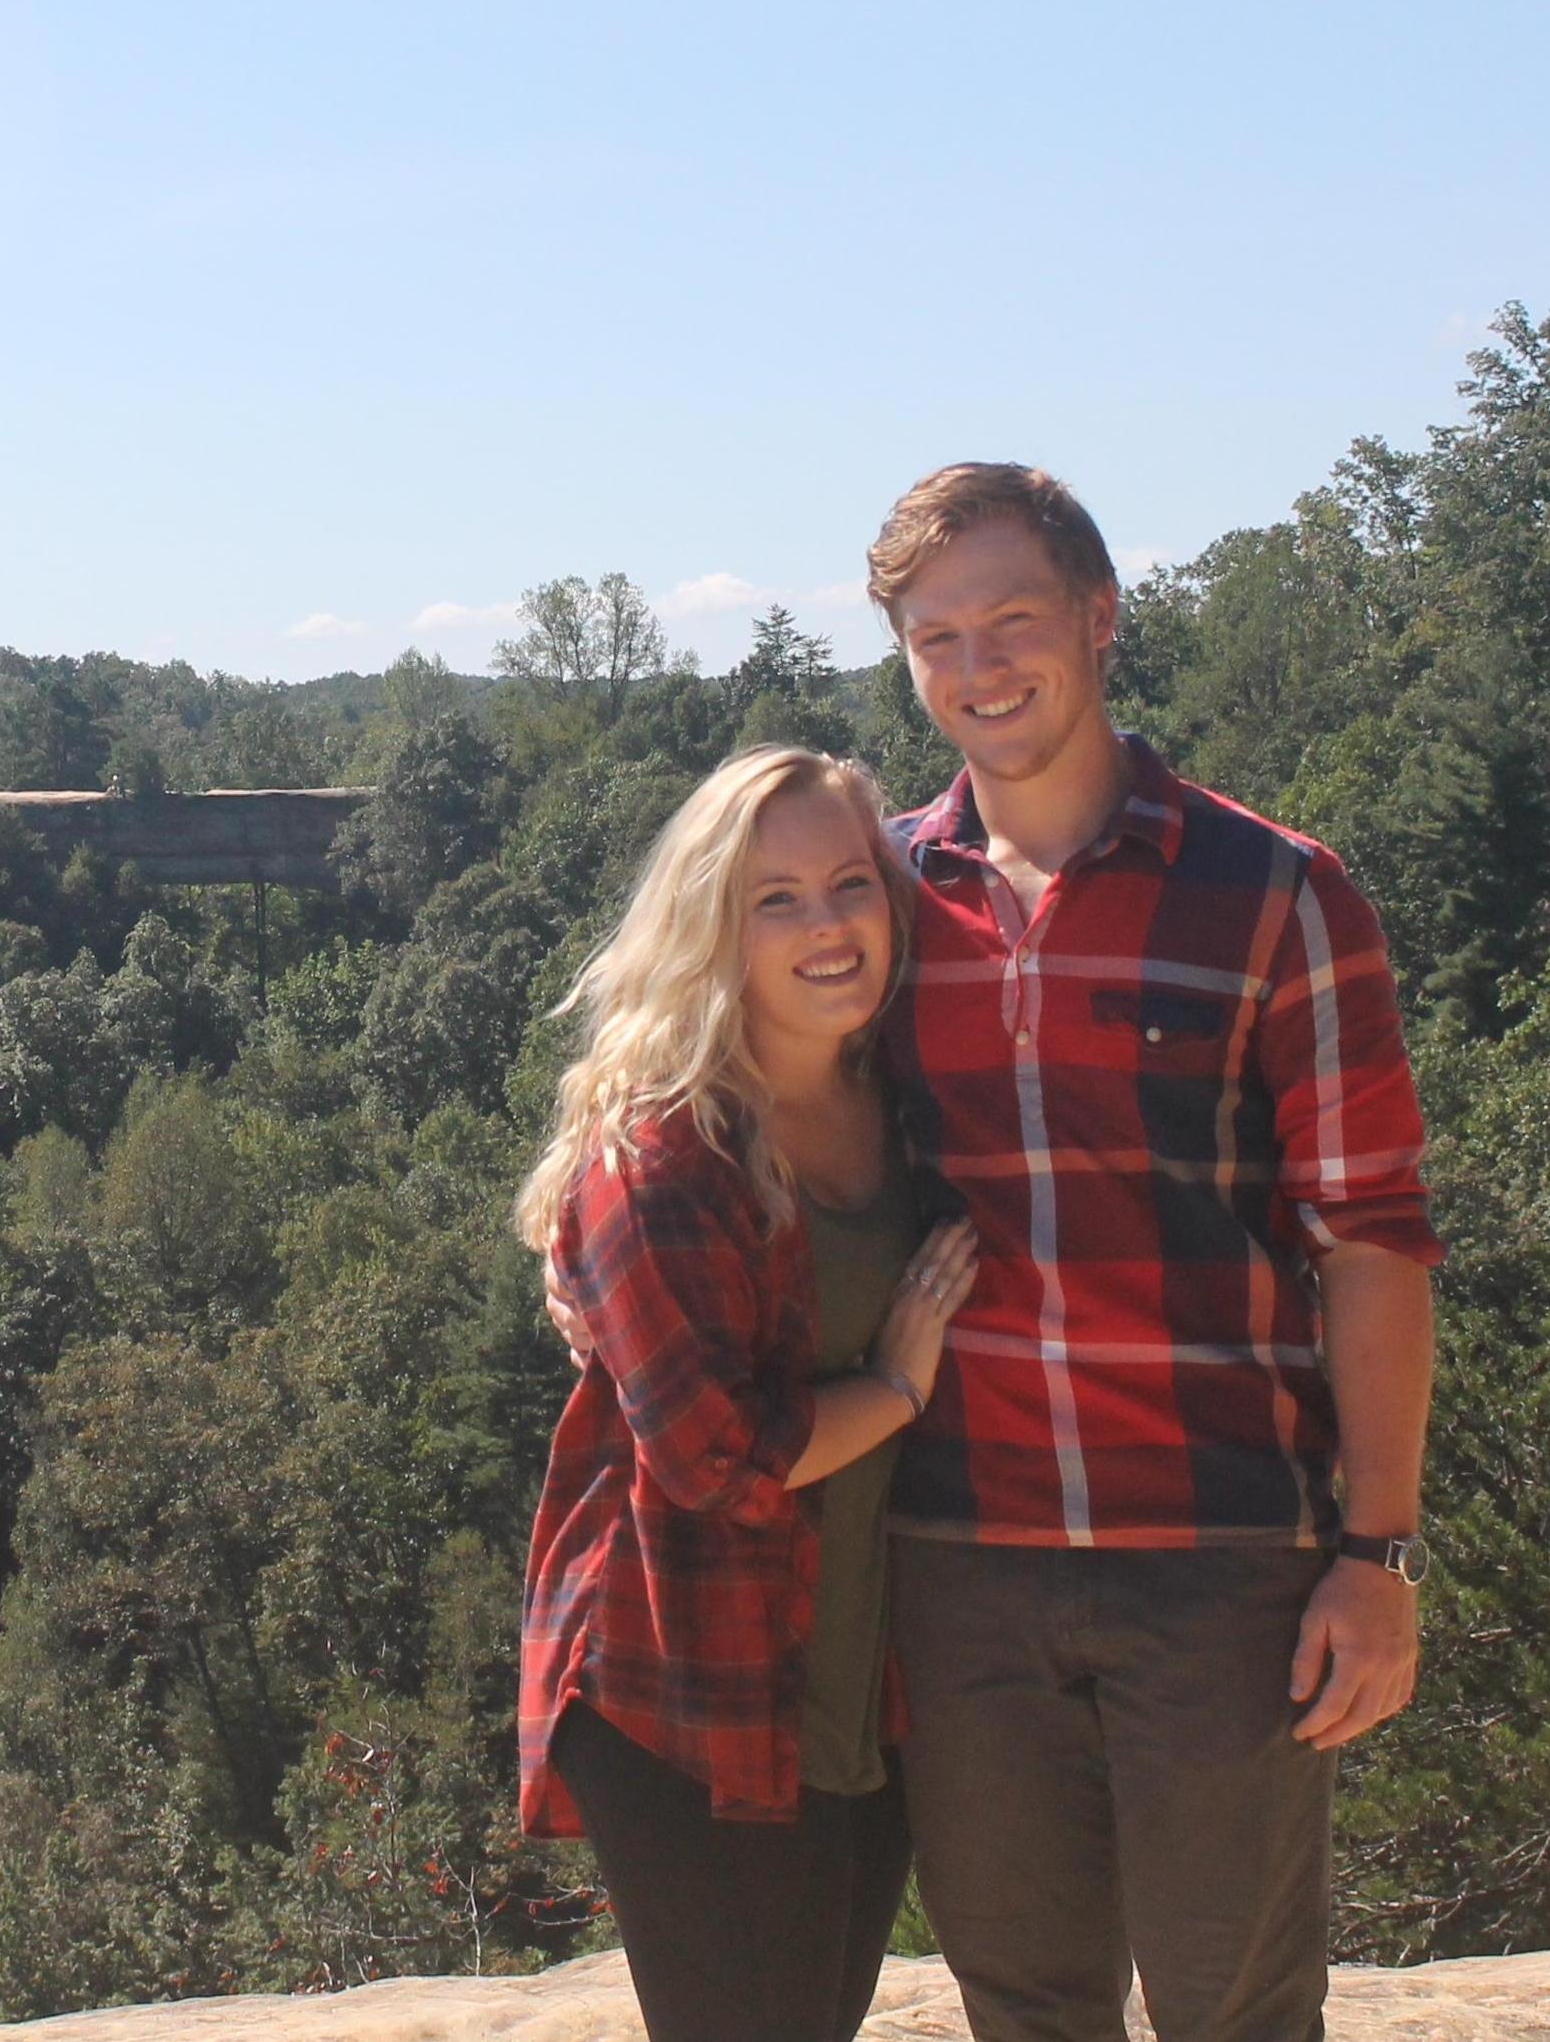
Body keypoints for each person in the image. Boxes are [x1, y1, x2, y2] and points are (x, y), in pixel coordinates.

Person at [861, 463, 1441, 2042]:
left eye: (1011, 620)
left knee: (1235, 2009)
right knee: (1024, 2003)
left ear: (1100, 621)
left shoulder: (1275, 892)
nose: (976, 669)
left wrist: (1373, 1554)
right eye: (933, 638)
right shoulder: (884, 907)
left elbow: (1374, 1237)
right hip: (958, 1553)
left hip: (1221, 1562)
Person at [517, 744, 980, 2042]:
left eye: (849, 883)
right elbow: (713, 1458)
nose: (824, 925)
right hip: (692, 1690)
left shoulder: (899, 1094)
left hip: (854, 1684)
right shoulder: (659, 1151)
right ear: (708, 923)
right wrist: (894, 1377)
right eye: (773, 897)